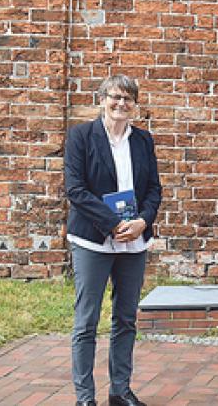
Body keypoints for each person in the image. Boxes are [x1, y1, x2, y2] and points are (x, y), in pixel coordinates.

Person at [64, 75, 162, 406]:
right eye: (115, 97)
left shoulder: (143, 140)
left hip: (133, 243)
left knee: (125, 318)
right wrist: (113, 224)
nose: (121, 104)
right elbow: (75, 189)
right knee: (87, 320)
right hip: (93, 240)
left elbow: (153, 190)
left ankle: (120, 390)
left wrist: (142, 222)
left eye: (128, 99)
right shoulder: (81, 136)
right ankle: (85, 397)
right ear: (102, 99)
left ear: (135, 105)